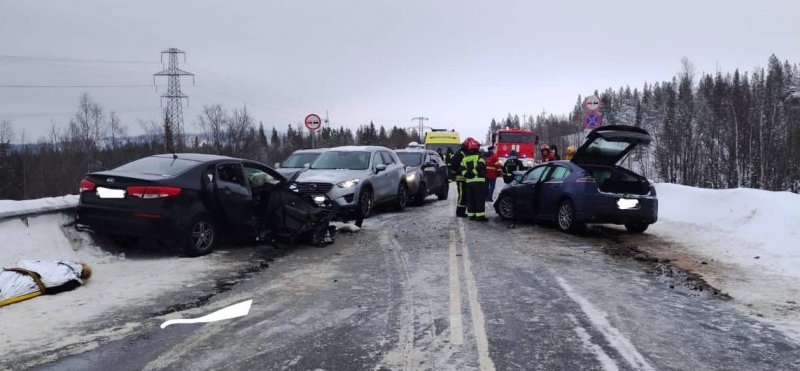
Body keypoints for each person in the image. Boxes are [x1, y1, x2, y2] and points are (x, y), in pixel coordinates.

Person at [0, 260, 92, 307]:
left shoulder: (59, 263)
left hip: (22, 273)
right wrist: (78, 282)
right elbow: (52, 288)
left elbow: (26, 262)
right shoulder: (72, 277)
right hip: (31, 280)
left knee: (6, 278)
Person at [460, 138, 487, 221]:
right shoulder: (480, 156)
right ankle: (480, 216)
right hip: (479, 181)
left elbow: (461, 168)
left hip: (469, 182)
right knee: (479, 199)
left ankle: (471, 215)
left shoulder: (465, 158)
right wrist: (473, 173)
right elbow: (480, 166)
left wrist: (467, 175)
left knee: (470, 199)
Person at [449, 142, 468, 217]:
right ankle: (459, 212)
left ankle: (462, 212)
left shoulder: (461, 153)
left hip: (463, 178)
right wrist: (459, 172)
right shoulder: (459, 154)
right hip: (461, 178)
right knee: (462, 196)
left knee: (464, 195)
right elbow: (454, 167)